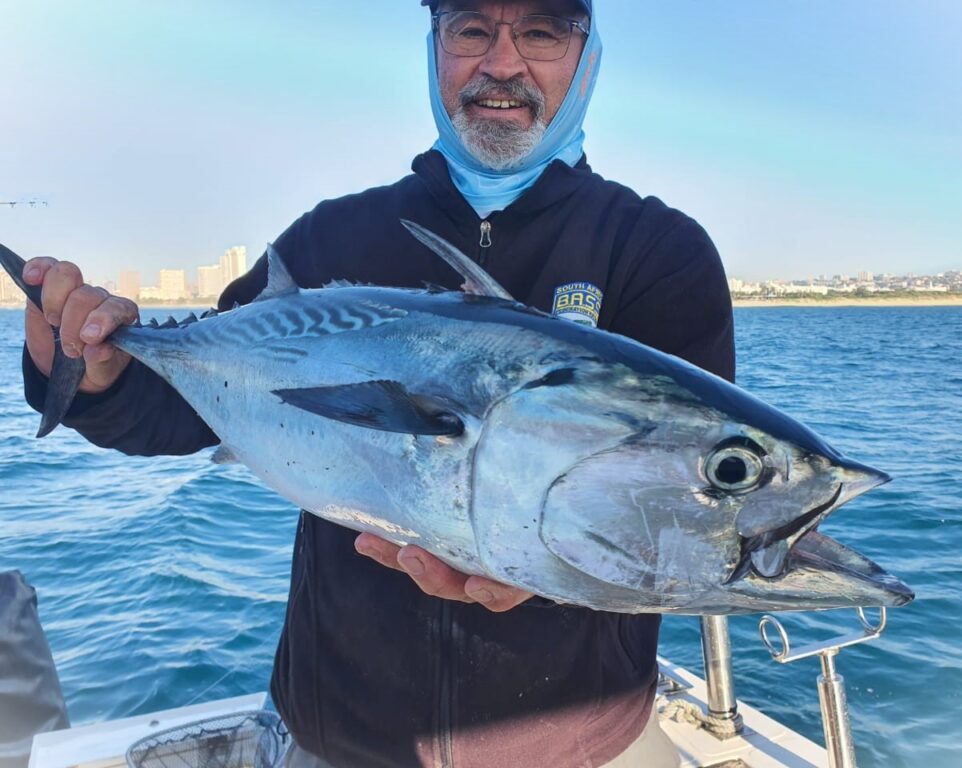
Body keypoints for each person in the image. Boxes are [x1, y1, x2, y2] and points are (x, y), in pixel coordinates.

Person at [20, 1, 735, 766]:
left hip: (577, 743)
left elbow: (682, 504)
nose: (501, 63)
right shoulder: (332, 237)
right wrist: (94, 370)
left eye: (540, 31)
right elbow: (179, 417)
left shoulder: (656, 253)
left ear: (586, 56)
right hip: (336, 733)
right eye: (470, 30)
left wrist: (547, 580)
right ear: (434, 50)